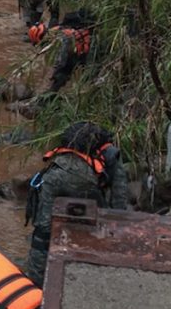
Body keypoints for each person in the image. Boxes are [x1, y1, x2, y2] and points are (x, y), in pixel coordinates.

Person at [25, 121, 129, 286]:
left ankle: (36, 280)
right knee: (95, 227)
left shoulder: (61, 160)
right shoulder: (112, 156)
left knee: (43, 230)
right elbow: (119, 200)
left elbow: (43, 226)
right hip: (89, 184)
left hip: (56, 177)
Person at [28, 8, 92, 92]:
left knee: (63, 74)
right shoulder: (56, 30)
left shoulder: (58, 40)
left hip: (87, 51)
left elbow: (62, 62)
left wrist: (55, 76)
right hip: (82, 48)